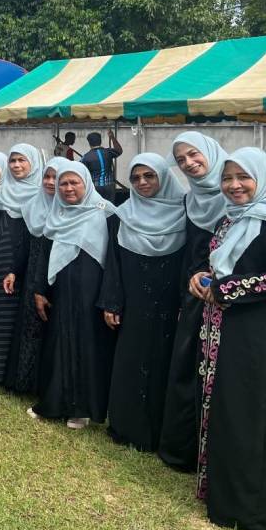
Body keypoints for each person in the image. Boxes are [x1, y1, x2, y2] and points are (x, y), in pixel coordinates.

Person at [189, 147, 266, 530]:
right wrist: (201, 276)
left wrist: (225, 289)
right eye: (227, 178)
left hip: (258, 335)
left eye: (243, 177)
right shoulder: (229, 219)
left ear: (261, 177)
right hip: (223, 329)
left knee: (251, 411)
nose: (234, 185)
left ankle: (244, 508)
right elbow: (220, 263)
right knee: (224, 407)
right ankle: (218, 490)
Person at [98, 154, 187, 451]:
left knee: (165, 362)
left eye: (149, 176)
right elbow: (113, 262)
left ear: (164, 177)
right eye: (135, 178)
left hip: (169, 305)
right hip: (134, 302)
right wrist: (112, 302)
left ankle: (160, 430)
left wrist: (185, 304)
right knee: (130, 360)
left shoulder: (185, 214)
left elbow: (191, 262)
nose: (142, 182)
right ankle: (126, 426)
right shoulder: (122, 215)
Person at [158, 132, 228, 472]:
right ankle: (184, 449)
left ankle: (220, 453)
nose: (188, 163)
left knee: (222, 374)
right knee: (188, 365)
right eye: (181, 159)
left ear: (211, 152)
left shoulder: (237, 195)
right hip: (193, 295)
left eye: (194, 154)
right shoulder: (190, 199)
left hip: (228, 298)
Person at [29, 161, 116, 429]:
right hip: (62, 292)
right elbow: (44, 255)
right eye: (63, 184)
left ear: (86, 183)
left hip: (92, 294)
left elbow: (114, 261)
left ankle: (82, 409)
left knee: (87, 346)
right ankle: (53, 403)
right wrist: (40, 290)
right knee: (59, 344)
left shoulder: (106, 213)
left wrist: (109, 299)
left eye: (74, 182)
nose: (68, 188)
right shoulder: (57, 214)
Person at [0, 144, 43, 386]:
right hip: (2, 260)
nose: (16, 165)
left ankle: (19, 375)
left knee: (25, 316)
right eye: (13, 160)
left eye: (21, 160)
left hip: (31, 264)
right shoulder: (3, 193)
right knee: (0, 317)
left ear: (33, 163)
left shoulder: (41, 194)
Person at [3, 157, 62, 394]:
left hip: (58, 278)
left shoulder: (70, 211)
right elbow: (25, 245)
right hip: (32, 274)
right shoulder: (34, 206)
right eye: (47, 177)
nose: (50, 182)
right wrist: (14, 270)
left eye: (56, 177)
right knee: (30, 326)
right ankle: (26, 381)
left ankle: (47, 386)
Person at [80, 130, 122, 201]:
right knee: (109, 206)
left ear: (89, 143)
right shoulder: (109, 152)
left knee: (96, 206)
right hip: (109, 186)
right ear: (100, 141)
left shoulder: (85, 157)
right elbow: (119, 150)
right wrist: (112, 137)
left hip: (95, 188)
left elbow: (82, 173)